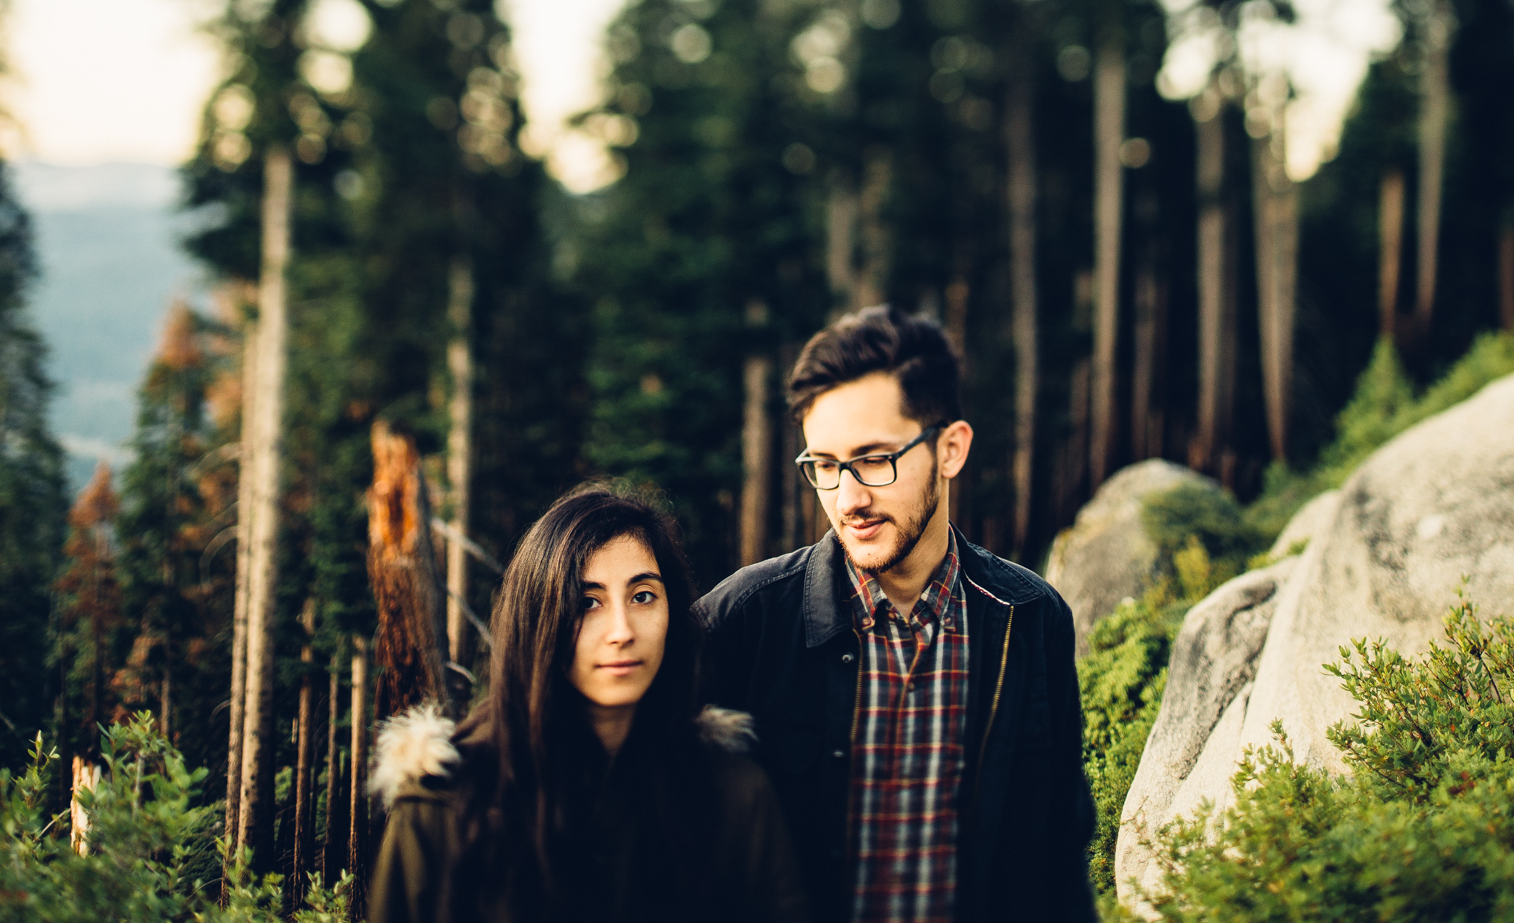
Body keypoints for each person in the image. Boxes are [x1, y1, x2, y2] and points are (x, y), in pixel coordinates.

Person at [696, 306, 1097, 923]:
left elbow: (1056, 856)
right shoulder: (742, 619)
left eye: (874, 458)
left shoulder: (1028, 618)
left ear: (950, 449)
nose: (848, 498)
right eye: (824, 466)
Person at [368, 483, 809, 923]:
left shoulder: (733, 794)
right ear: (538, 618)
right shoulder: (441, 808)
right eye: (587, 602)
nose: (622, 630)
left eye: (642, 596)